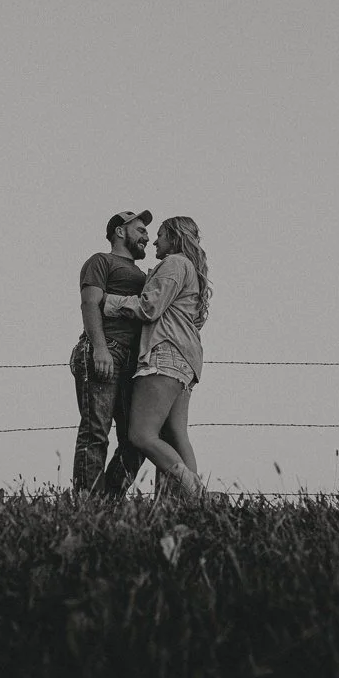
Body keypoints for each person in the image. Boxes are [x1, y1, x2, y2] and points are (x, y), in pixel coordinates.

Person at [103, 216, 212, 499]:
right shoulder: (191, 270)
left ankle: (196, 491)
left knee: (141, 435)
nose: (154, 240)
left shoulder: (175, 263)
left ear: (174, 238)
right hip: (186, 359)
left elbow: (150, 307)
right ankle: (182, 505)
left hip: (164, 354)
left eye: (161, 235)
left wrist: (110, 302)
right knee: (175, 435)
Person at [69, 209, 152, 497]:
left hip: (135, 360)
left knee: (138, 438)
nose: (146, 236)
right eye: (140, 229)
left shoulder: (144, 274)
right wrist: (100, 349)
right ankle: (87, 504)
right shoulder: (101, 261)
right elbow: (90, 303)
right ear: (120, 231)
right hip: (107, 350)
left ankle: (108, 501)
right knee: (96, 431)